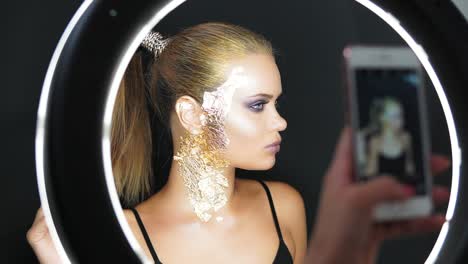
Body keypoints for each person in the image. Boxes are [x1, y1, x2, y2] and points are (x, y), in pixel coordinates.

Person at [27, 22, 450, 264]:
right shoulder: (128, 238)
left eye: (276, 103)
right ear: (193, 114)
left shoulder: (283, 205)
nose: (281, 121)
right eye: (257, 105)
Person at [363, 97, 416, 184]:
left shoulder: (406, 138)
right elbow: (370, 174)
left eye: (401, 115)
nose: (401, 120)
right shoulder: (375, 142)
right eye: (396, 116)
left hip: (403, 189)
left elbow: (409, 167)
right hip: (382, 190)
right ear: (383, 118)